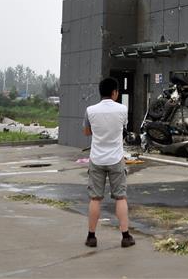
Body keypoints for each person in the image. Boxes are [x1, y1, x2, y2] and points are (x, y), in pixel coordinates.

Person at [83, 77, 134, 248]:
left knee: (95, 198)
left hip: (96, 158)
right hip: (115, 158)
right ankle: (126, 237)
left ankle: (91, 237)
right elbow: (123, 127)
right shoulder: (122, 109)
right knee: (120, 197)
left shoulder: (90, 110)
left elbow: (86, 132)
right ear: (114, 92)